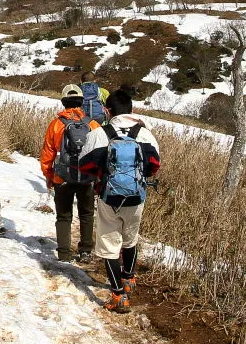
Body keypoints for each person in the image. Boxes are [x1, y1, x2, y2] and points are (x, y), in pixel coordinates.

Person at [79, 89, 161, 313]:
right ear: (131, 109)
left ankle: (118, 295)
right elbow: (154, 164)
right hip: (136, 197)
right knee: (130, 239)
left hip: (109, 196)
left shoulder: (100, 133)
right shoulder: (144, 134)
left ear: (108, 110)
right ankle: (129, 278)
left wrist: (103, 174)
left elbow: (85, 164)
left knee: (109, 246)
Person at [39, 84, 103, 263]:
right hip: (86, 177)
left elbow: (47, 154)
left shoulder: (56, 125)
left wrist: (48, 175)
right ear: (82, 102)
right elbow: (100, 152)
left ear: (63, 101)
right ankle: (85, 252)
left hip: (62, 176)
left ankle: (64, 253)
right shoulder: (93, 124)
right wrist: (97, 176)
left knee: (64, 216)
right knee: (86, 214)